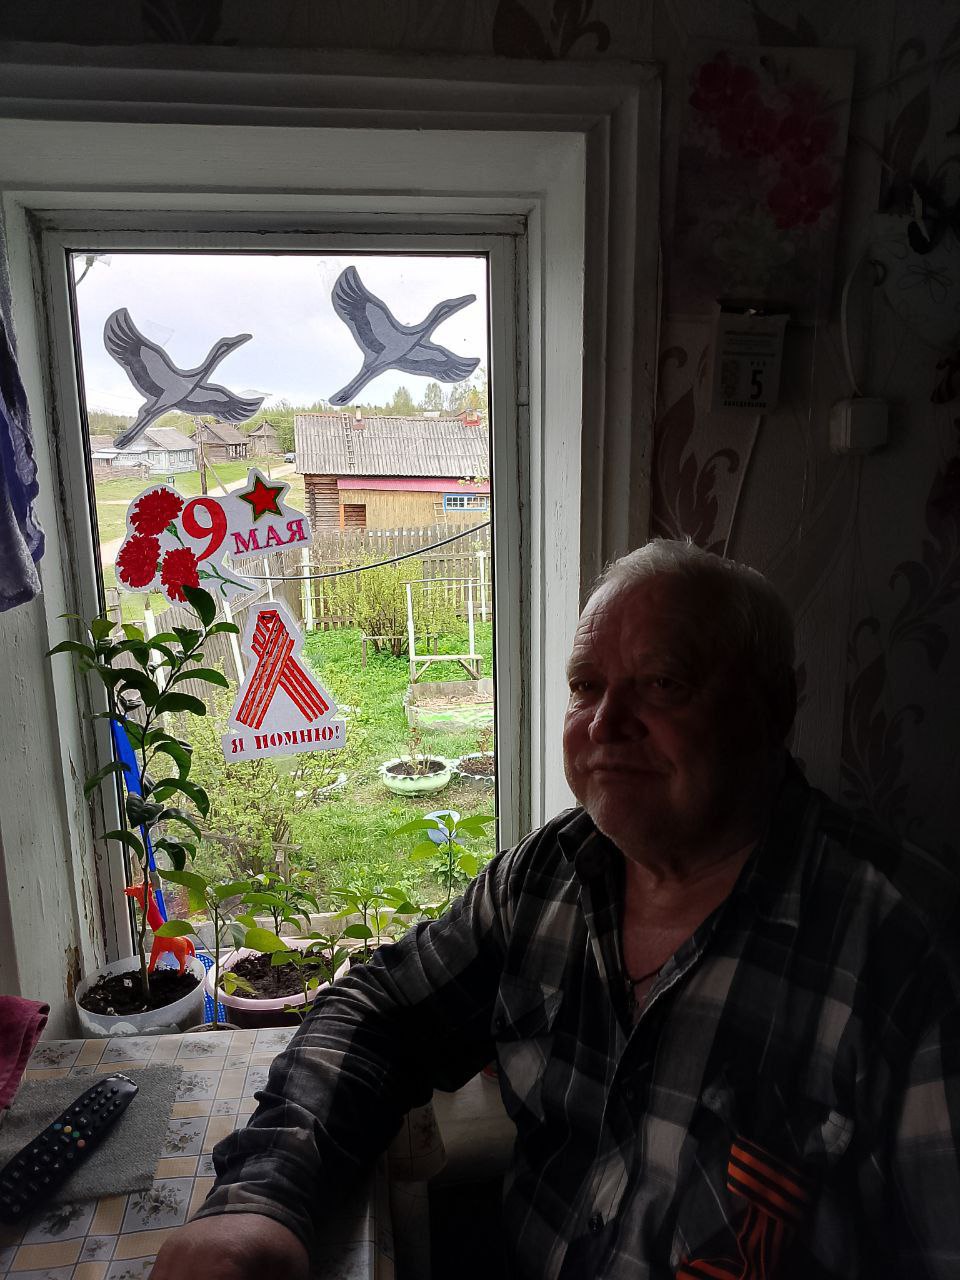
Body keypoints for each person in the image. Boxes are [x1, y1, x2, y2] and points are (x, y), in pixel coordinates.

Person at [150, 539, 960, 1279]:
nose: (606, 723)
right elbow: (381, 1008)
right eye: (585, 687)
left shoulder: (909, 955)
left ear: (771, 709)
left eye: (664, 684)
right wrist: (261, 1198)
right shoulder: (551, 873)